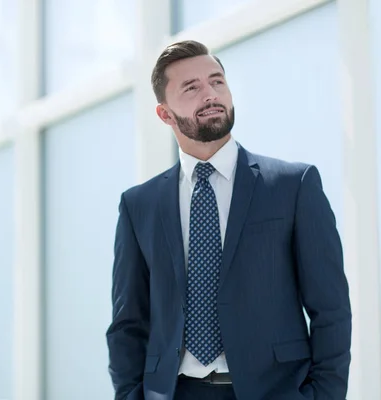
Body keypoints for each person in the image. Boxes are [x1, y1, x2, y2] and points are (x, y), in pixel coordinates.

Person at [105, 40, 352, 400]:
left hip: (275, 392)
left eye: (217, 81)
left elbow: (331, 309)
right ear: (165, 114)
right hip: (174, 392)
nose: (210, 94)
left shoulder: (292, 186)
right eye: (191, 88)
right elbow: (128, 324)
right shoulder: (139, 205)